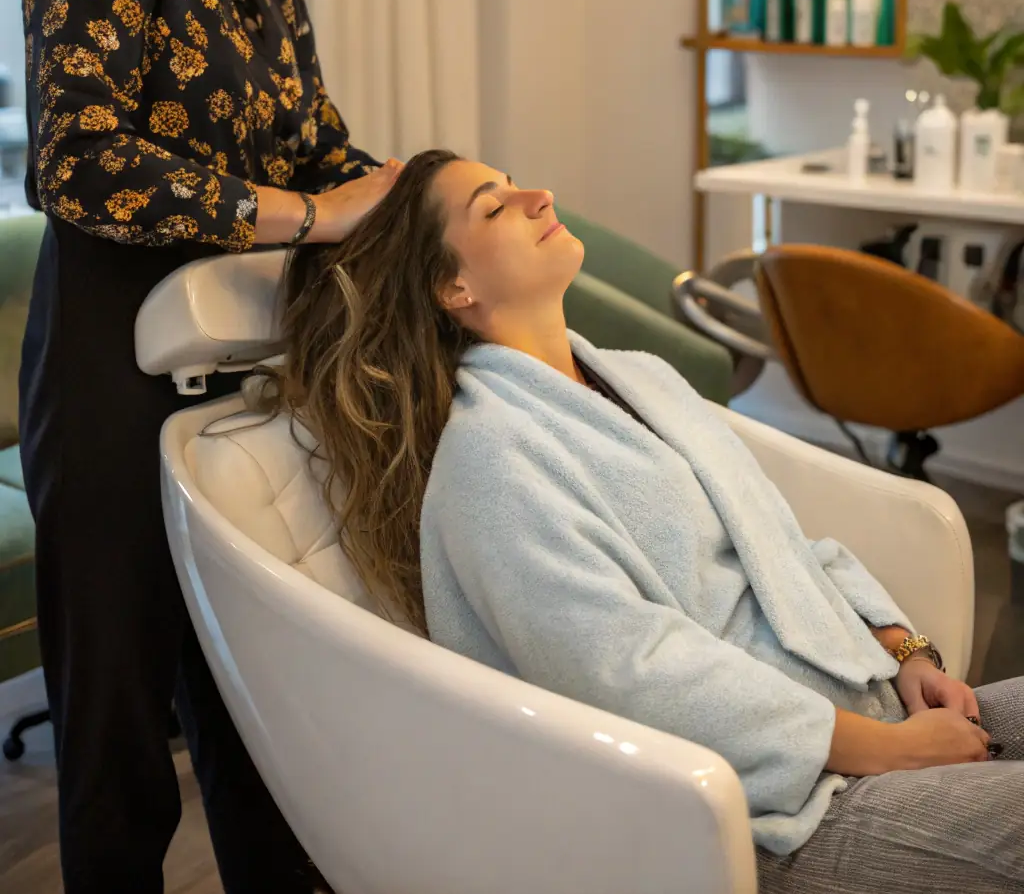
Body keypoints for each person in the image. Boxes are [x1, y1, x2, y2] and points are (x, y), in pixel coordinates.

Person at [270, 150, 1024, 894]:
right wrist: (888, 751)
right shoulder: (490, 464)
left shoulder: (643, 379)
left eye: (513, 183)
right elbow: (636, 677)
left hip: (871, 711)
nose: (540, 193)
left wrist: (908, 653)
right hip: (773, 810)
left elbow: (785, 549)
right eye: (495, 206)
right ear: (451, 285)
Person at [19, 0, 412, 894]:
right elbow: (79, 165)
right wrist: (310, 217)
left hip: (238, 385)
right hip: (109, 379)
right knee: (122, 747)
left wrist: (413, 194)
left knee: (261, 724)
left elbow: (310, 147)